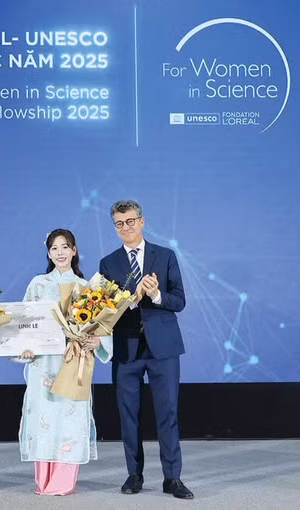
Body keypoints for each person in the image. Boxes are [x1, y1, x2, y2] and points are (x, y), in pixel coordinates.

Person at [99, 200, 194, 500]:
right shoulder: (108, 263)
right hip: (126, 350)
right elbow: (105, 309)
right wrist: (130, 297)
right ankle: (134, 475)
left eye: (130, 221)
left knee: (167, 413)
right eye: (119, 224)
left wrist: (155, 295)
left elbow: (179, 301)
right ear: (114, 227)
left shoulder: (164, 256)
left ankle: (172, 478)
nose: (125, 228)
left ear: (142, 221)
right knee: (129, 415)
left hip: (163, 349)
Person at [15, 229, 112, 495]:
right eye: (54, 248)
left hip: (72, 360)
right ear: (48, 253)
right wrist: (24, 349)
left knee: (69, 418)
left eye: (65, 247)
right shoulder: (37, 283)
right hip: (42, 364)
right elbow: (24, 321)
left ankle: (63, 481)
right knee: (42, 418)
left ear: (74, 250)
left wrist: (97, 343)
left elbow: (101, 327)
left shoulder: (87, 287)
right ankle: (43, 480)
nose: (60, 252)